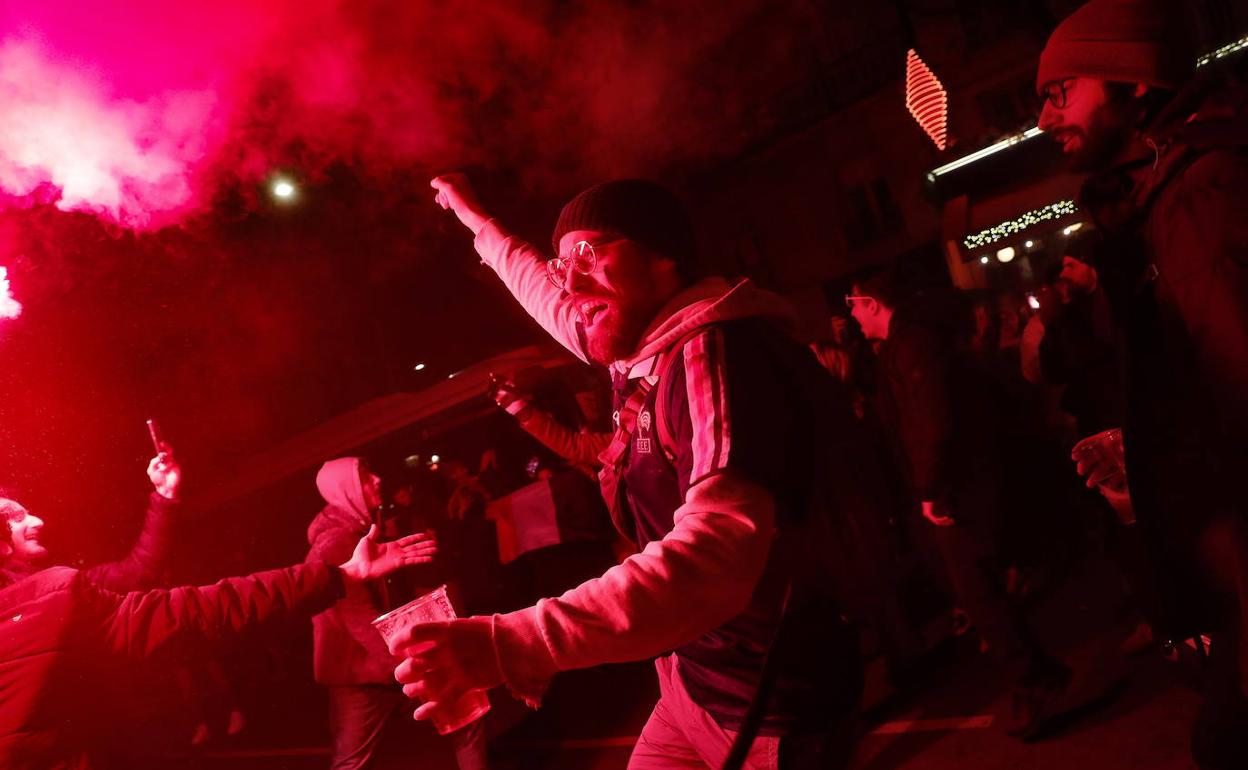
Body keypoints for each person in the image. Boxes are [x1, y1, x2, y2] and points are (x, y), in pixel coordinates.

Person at [391, 173, 865, 769]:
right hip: (693, 679)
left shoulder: (712, 354)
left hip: (763, 703)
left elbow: (713, 558)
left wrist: (510, 645)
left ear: (662, 255)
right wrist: (474, 221)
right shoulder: (642, 342)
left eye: (589, 253)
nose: (571, 279)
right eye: (564, 264)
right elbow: (540, 287)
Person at [1037, 1, 1248, 765]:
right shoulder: (1164, 198)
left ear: (1133, 80)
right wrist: (1145, 454)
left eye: (1061, 89)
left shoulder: (1199, 190)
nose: (1042, 116)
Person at [0, 454, 436, 770]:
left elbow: (156, 584)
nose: (36, 519)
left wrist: (164, 500)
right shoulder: (54, 602)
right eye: (15, 518)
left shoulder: (60, 596)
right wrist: (341, 579)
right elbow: (195, 609)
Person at [848, 269, 1070, 738]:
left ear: (871, 303)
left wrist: (930, 489)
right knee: (979, 587)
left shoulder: (910, 344)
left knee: (976, 590)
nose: (849, 314)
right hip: (954, 484)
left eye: (852, 303)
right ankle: (1037, 671)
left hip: (953, 489)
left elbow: (932, 420)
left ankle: (1034, 678)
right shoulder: (903, 345)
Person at [307, 457, 487, 770]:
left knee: (463, 718)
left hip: (371, 662)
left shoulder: (362, 528)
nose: (377, 479)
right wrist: (412, 663)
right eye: (364, 477)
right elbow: (360, 621)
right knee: (353, 761)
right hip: (359, 670)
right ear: (345, 490)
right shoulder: (337, 543)